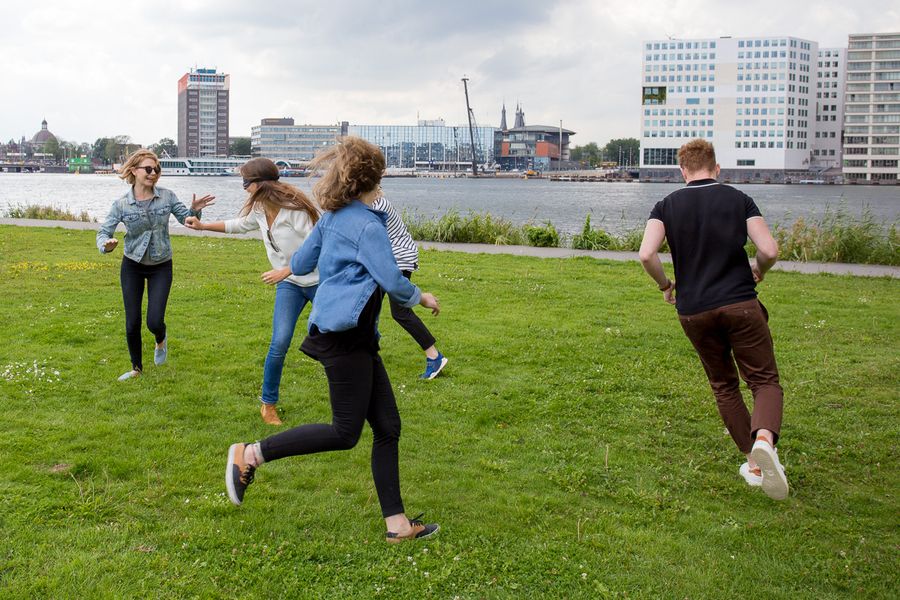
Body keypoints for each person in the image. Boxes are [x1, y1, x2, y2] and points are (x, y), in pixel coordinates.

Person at [225, 137, 441, 541]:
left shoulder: (332, 217)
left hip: (348, 332)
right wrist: (421, 296)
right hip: (345, 336)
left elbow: (303, 263)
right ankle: (250, 454)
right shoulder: (367, 224)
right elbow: (392, 281)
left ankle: (397, 525)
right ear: (373, 178)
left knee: (388, 426)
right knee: (345, 432)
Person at [638, 138, 789, 501]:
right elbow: (768, 249)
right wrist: (759, 269)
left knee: (724, 385)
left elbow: (646, 254)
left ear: (682, 170)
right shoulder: (738, 199)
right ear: (716, 168)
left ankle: (753, 463)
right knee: (764, 380)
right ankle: (764, 441)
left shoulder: (665, 205)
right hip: (739, 303)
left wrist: (665, 285)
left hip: (694, 310)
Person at [185, 158, 320, 425]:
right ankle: (268, 405)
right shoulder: (259, 208)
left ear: (259, 184)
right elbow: (239, 225)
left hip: (318, 281)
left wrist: (287, 270)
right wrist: (203, 226)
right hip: (290, 285)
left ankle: (357, 390)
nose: (244, 188)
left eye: (246, 182)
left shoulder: (295, 210)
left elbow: (319, 248)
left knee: (338, 337)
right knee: (279, 342)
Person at [96, 149, 215, 382]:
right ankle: (136, 368)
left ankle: (160, 339)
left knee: (154, 320)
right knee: (132, 321)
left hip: (161, 264)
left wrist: (195, 210)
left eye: (156, 169)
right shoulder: (121, 204)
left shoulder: (167, 196)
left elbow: (187, 220)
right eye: (148, 169)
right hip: (132, 264)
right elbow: (104, 231)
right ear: (133, 171)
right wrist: (106, 245)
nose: (153, 173)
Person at [372, 189, 448, 380]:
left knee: (400, 311)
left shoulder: (377, 206)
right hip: (388, 258)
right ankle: (368, 348)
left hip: (399, 256)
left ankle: (434, 357)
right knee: (369, 304)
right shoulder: (369, 203)